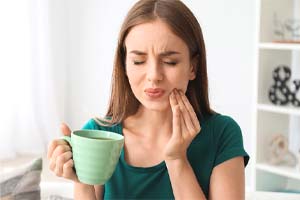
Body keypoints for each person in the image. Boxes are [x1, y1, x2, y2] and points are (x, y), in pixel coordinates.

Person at [47, 0, 250, 199]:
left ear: (192, 67)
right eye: (138, 61)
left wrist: (177, 160)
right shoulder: (100, 134)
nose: (154, 75)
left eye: (170, 62)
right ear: (124, 66)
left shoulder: (222, 134)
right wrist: (81, 181)